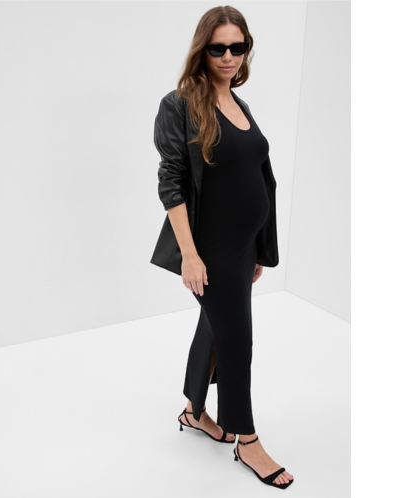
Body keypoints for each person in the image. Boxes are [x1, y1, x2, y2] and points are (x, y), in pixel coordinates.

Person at [150, 6, 294, 490]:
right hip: (210, 247)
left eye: (238, 46)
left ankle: (194, 412)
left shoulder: (238, 102)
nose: (229, 56)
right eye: (218, 48)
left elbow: (253, 173)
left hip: (242, 246)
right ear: (202, 49)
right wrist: (190, 255)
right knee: (237, 340)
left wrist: (258, 245)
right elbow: (171, 183)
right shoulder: (180, 104)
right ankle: (246, 439)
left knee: (216, 326)